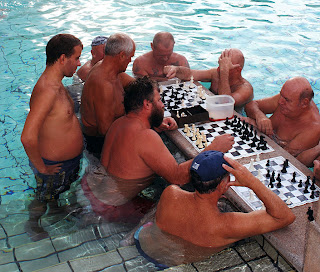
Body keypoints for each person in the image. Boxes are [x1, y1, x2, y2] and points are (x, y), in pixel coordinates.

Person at [81, 77, 234, 224]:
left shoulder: (119, 123)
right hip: (112, 207)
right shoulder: (145, 136)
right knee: (205, 212)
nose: (162, 105)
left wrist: (154, 124)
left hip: (92, 189)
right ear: (147, 104)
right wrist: (213, 149)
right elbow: (178, 178)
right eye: (159, 100)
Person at [133, 150, 295, 268]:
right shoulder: (226, 225)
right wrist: (251, 181)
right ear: (224, 184)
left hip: (143, 245)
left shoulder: (171, 193)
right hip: (177, 266)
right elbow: (284, 217)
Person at [21, 34, 84, 241]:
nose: (79, 63)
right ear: (63, 58)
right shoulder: (47, 90)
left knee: (53, 194)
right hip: (52, 164)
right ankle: (32, 224)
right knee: (42, 196)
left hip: (64, 163)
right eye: (76, 58)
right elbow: (27, 137)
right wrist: (42, 168)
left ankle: (56, 210)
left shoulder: (57, 84)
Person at [80, 33, 136, 158]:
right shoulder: (103, 84)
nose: (130, 60)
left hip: (111, 133)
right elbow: (106, 131)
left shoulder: (109, 68)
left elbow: (137, 85)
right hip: (99, 144)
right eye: (130, 57)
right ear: (122, 55)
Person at [244, 77, 320, 167]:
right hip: (266, 141)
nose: (280, 102)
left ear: (304, 103)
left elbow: (283, 159)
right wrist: (260, 116)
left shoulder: (312, 129)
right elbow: (250, 105)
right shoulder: (285, 98)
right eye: (281, 95)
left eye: (287, 100)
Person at [164, 48, 253, 109]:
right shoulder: (216, 73)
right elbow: (190, 74)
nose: (219, 68)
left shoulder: (245, 89)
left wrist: (224, 72)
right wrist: (176, 69)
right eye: (220, 64)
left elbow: (224, 104)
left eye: (224, 67)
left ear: (238, 70)